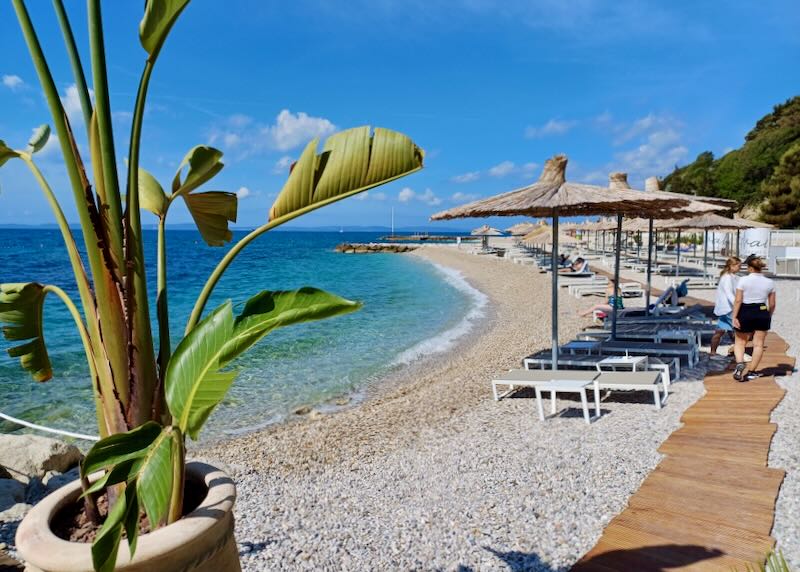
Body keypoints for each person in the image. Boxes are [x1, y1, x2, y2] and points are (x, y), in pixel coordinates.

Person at [731, 255, 776, 382]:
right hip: (762, 310)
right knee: (758, 345)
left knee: (740, 342)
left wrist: (734, 316)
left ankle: (740, 363)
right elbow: (772, 304)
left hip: (745, 311)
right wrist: (768, 315)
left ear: (750, 268)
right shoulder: (770, 282)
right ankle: (751, 372)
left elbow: (738, 300)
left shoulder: (743, 280)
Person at [710, 256, 741, 355]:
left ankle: (713, 352)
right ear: (732, 266)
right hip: (728, 309)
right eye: (738, 266)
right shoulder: (727, 278)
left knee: (720, 331)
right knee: (738, 332)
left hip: (724, 308)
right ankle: (739, 353)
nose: (739, 268)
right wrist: (738, 305)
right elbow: (729, 294)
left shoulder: (732, 276)